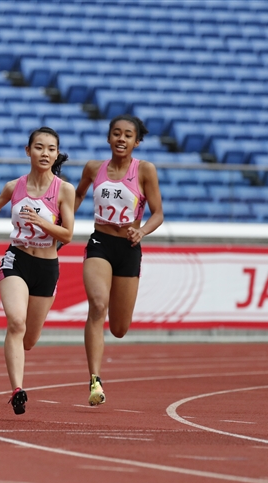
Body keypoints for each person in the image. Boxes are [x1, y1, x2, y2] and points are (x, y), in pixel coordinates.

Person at [0, 127, 75, 415]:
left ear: (56, 154)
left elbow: (67, 235)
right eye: (39, 147)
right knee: (16, 322)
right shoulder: (14, 186)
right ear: (28, 151)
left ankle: (20, 360)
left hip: (47, 266)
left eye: (51, 149)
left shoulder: (64, 190)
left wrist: (43, 223)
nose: (45, 153)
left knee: (29, 340)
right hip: (17, 259)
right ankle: (17, 389)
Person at [74, 114, 163, 406]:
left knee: (119, 328)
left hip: (128, 246)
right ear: (109, 137)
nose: (121, 139)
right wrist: (60, 225)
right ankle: (94, 379)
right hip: (100, 242)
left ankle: (104, 353)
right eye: (116, 133)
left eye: (127, 135)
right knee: (98, 305)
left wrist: (142, 231)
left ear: (137, 142)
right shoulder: (93, 168)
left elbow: (158, 214)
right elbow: (74, 198)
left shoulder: (145, 170)